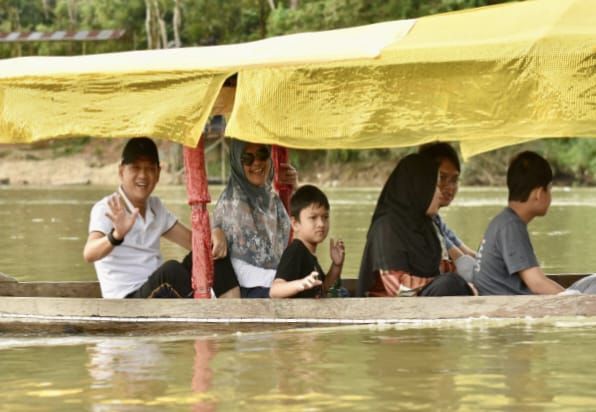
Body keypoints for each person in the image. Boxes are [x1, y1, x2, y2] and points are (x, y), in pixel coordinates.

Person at [83, 137, 236, 299]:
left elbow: (195, 242)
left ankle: (234, 312)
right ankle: (206, 312)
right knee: (171, 271)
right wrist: (116, 236)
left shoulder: (155, 207)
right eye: (135, 168)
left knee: (212, 253)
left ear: (158, 173)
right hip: (127, 301)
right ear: (121, 171)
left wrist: (216, 232)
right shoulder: (107, 207)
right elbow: (89, 253)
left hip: (154, 290)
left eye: (149, 168)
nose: (143, 175)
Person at [357, 153, 474, 297]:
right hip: (391, 308)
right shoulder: (386, 228)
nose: (440, 193)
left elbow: (443, 268)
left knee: (457, 281)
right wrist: (445, 283)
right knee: (449, 285)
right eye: (434, 186)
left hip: (423, 302)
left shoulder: (427, 227)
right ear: (417, 188)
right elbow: (397, 287)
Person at [211, 138, 298, 298]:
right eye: (247, 159)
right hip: (246, 291)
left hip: (275, 283)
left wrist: (294, 188)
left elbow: (299, 231)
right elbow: (234, 267)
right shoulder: (231, 203)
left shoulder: (272, 200)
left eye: (262, 154)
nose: (257, 163)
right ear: (237, 162)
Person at [472, 151, 567, 295]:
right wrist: (576, 299)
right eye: (549, 189)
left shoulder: (504, 221)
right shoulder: (511, 226)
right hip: (504, 307)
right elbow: (537, 283)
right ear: (539, 193)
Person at [270, 185, 345, 298]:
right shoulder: (296, 251)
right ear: (295, 224)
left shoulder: (309, 254)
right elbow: (275, 291)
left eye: (325, 217)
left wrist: (336, 265)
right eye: (313, 218)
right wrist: (300, 284)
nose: (321, 224)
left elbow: (323, 288)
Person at [419, 142, 476, 281]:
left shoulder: (436, 220)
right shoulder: (424, 223)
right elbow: (461, 260)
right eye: (442, 178)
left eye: (454, 180)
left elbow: (468, 253)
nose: (449, 188)